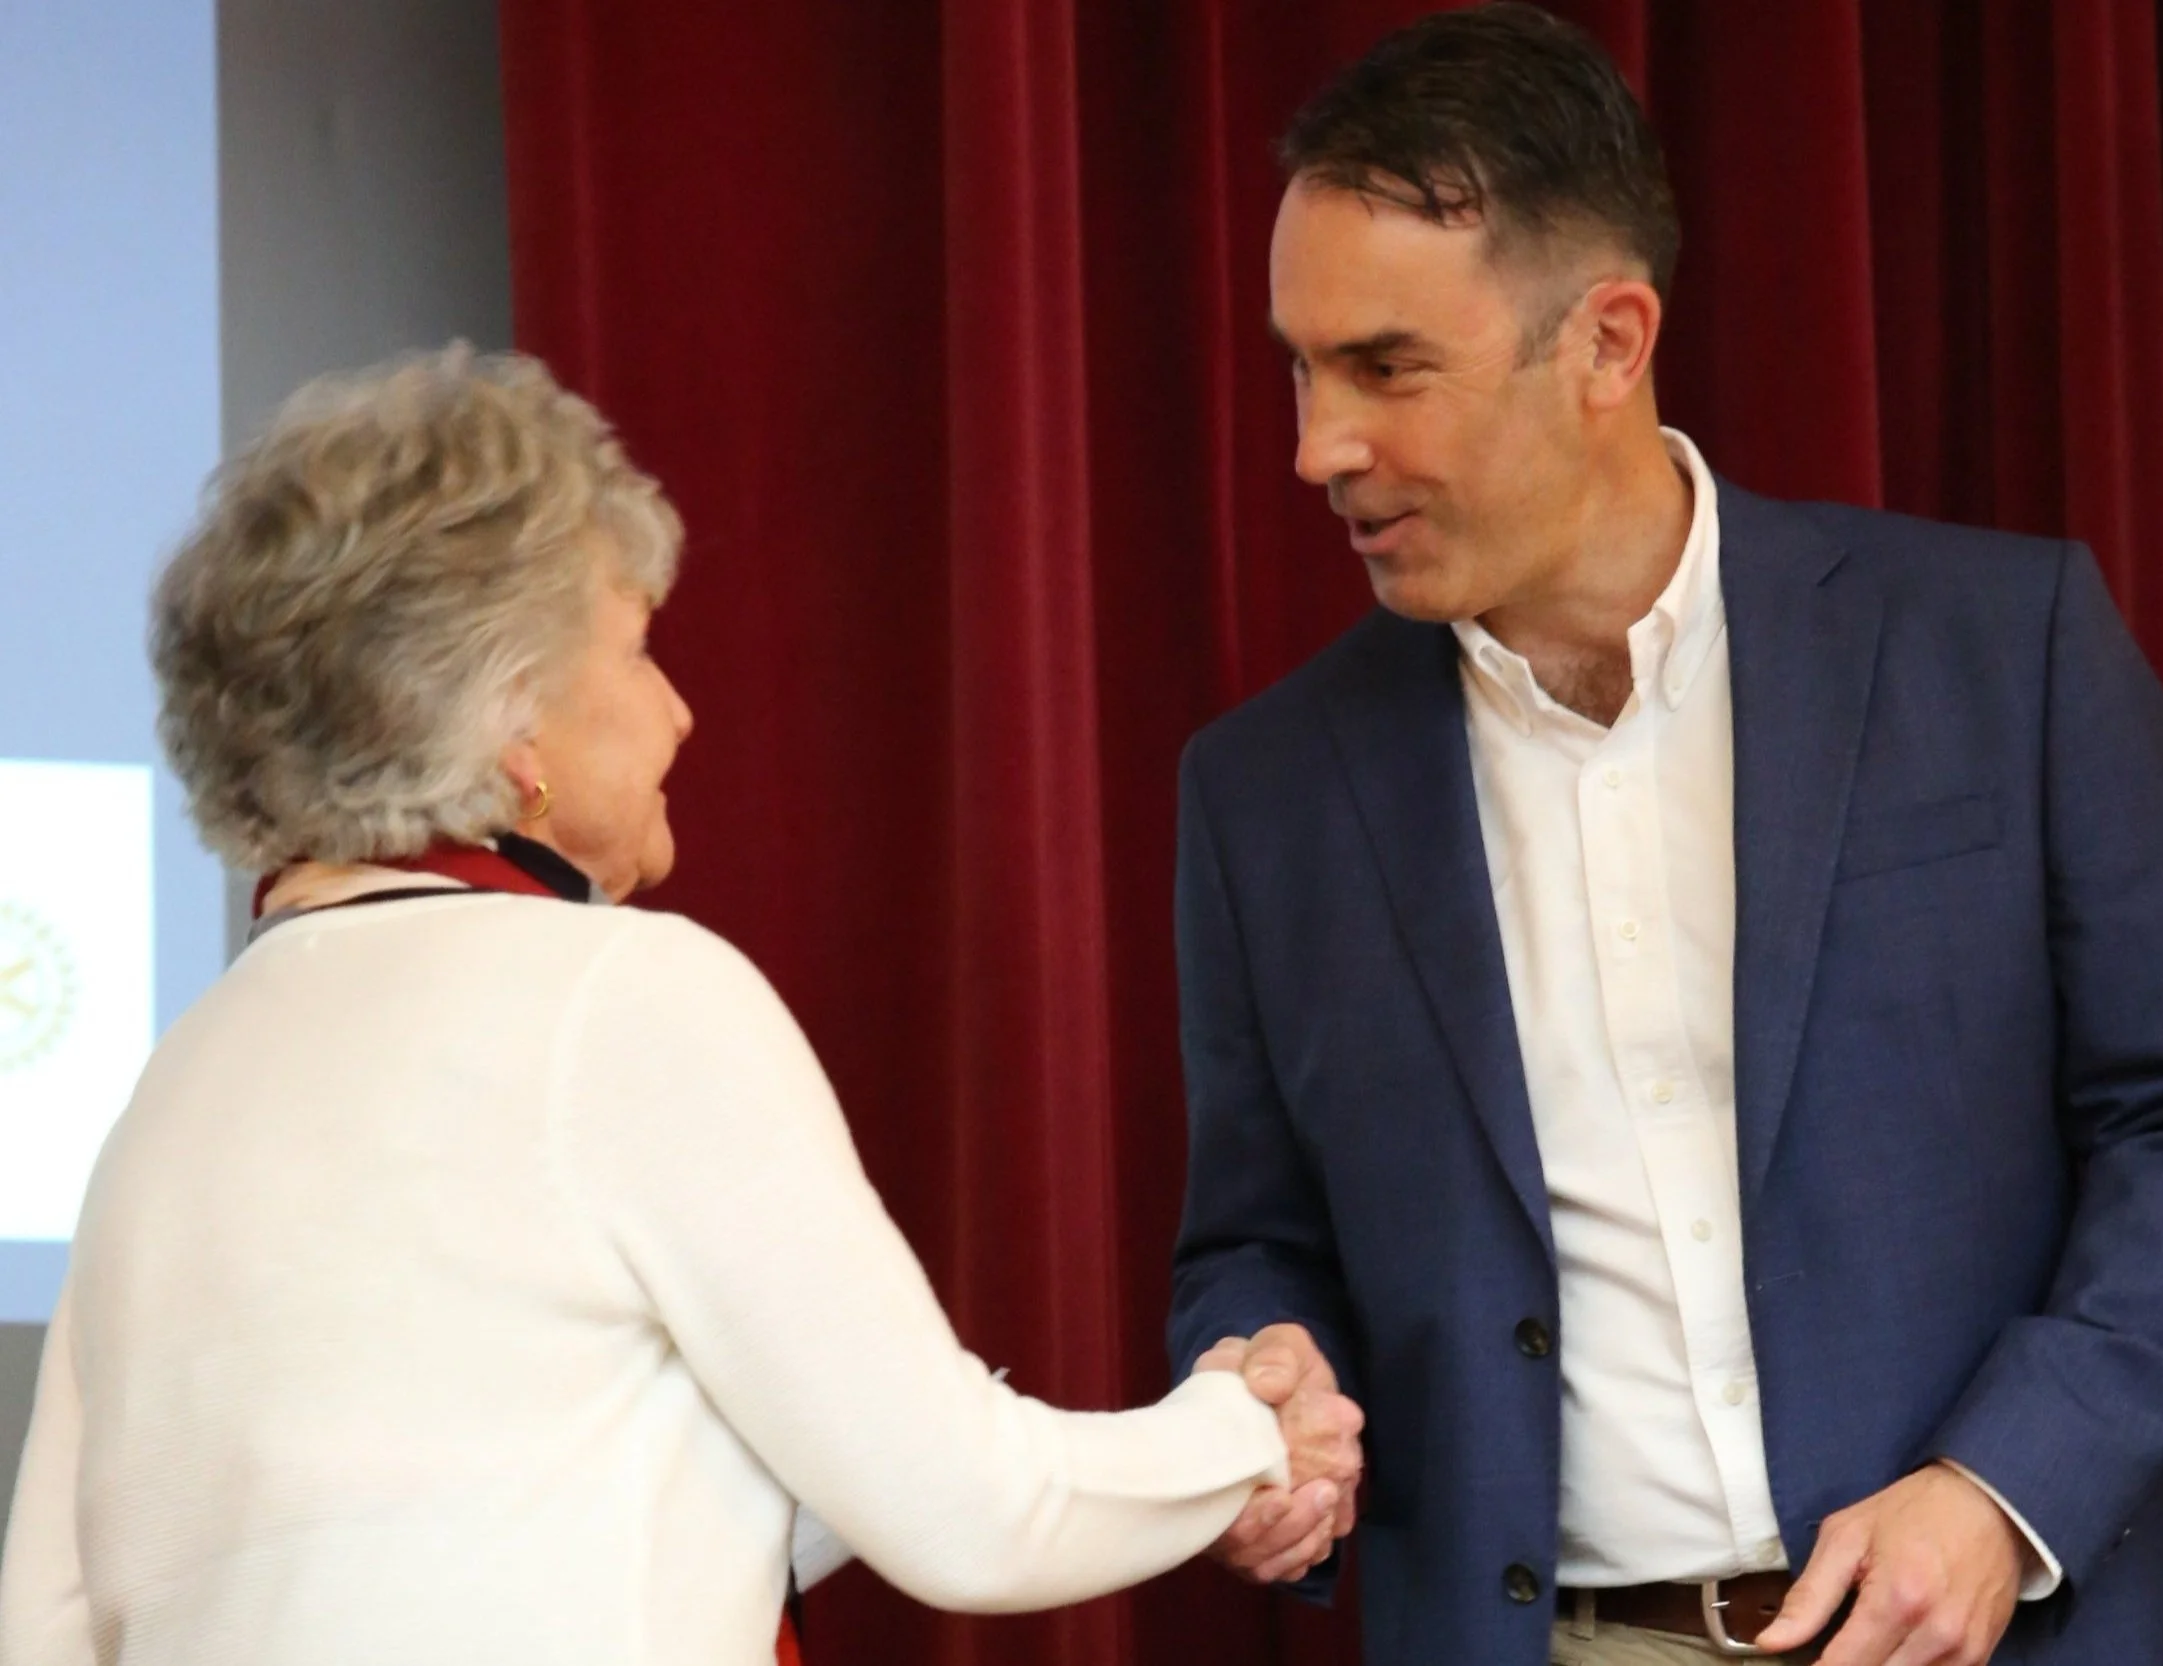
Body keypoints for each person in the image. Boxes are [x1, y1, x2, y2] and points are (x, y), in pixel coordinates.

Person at [1165, 8, 2163, 1666]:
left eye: (1385, 367)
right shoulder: (1261, 794)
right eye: (1300, 365)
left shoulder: (2004, 649)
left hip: (1995, 1628)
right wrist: (1263, 1390)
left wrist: (2002, 1489)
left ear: (1608, 340)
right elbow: (1255, 1240)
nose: (1315, 446)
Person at [0, 348, 1360, 1666]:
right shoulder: (619, 993)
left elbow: (52, 1626)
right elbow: (971, 1513)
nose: (680, 712)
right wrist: (1241, 1433)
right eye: (638, 649)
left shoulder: (162, 1094)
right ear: (513, 721)